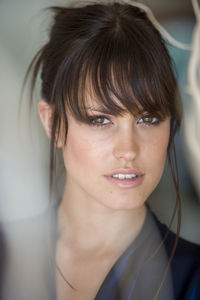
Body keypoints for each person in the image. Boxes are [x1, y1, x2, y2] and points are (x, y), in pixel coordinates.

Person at [4, 1, 199, 300]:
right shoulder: (8, 258)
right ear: (53, 122)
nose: (128, 150)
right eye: (100, 120)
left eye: (148, 119)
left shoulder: (192, 278)